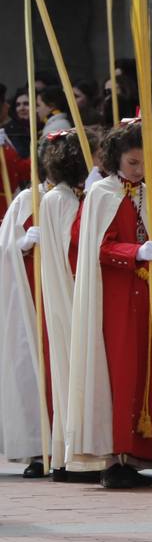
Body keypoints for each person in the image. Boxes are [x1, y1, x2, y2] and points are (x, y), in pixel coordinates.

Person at [65, 122, 152, 489]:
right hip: (114, 298)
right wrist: (133, 252)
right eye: (133, 162)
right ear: (117, 158)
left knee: (144, 372)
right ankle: (114, 453)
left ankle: (138, 453)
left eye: (145, 162)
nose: (139, 169)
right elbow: (89, 249)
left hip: (146, 299)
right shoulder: (100, 194)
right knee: (118, 374)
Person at [36, 130, 96, 481]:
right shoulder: (66, 201)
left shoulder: (54, 198)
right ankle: (77, 453)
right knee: (77, 372)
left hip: (60, 293)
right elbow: (73, 248)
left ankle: (65, 451)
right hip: (73, 293)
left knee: (66, 372)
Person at [0, 139, 50, 477]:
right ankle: (37, 448)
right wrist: (21, 243)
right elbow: (5, 247)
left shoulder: (86, 197)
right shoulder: (26, 200)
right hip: (32, 299)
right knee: (31, 372)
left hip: (66, 299)